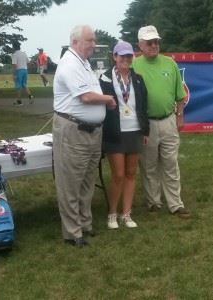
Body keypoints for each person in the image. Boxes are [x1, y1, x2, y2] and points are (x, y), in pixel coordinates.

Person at [53, 25, 116, 247]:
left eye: (94, 40)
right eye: (90, 40)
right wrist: (108, 100)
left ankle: (85, 223)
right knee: (71, 183)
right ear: (76, 42)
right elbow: (87, 98)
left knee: (87, 181)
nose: (93, 44)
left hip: (91, 132)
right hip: (74, 131)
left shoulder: (84, 63)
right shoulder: (70, 63)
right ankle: (73, 232)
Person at [132, 25, 190, 218]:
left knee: (170, 163)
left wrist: (180, 116)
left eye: (157, 41)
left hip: (168, 120)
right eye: (150, 42)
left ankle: (175, 204)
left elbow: (180, 95)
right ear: (140, 45)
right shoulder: (133, 65)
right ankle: (153, 202)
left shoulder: (170, 63)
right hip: (146, 123)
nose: (154, 45)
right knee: (148, 165)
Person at [99, 41, 149, 229]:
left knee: (130, 173)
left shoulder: (138, 78)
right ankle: (112, 213)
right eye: (122, 56)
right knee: (118, 175)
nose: (126, 59)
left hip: (135, 130)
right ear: (115, 57)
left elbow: (143, 106)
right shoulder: (104, 79)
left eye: (129, 56)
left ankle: (126, 214)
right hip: (115, 132)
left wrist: (146, 130)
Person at [11, 42, 34, 106]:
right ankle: (30, 96)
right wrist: (26, 69)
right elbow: (29, 63)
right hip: (25, 70)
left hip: (19, 71)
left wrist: (14, 74)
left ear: (14, 47)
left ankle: (19, 102)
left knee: (18, 86)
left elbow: (14, 65)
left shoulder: (14, 54)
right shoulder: (24, 53)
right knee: (24, 85)